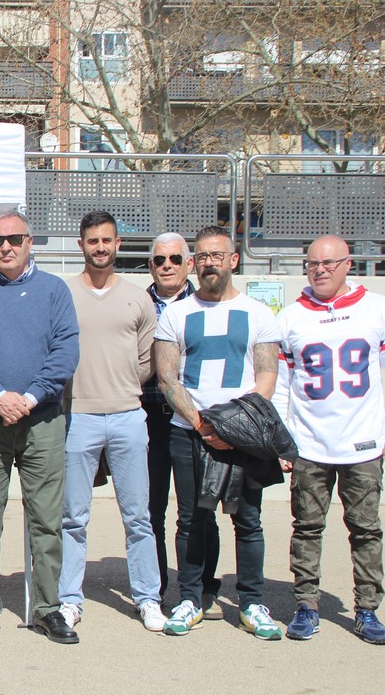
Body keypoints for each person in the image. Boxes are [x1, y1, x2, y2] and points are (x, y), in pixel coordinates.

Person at [0, 210, 80, 644]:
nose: (4, 246)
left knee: (47, 520)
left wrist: (28, 397)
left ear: (30, 242)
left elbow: (65, 351)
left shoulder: (55, 291)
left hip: (42, 419)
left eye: (13, 238)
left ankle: (47, 608)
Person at [154, 225, 283, 640]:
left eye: (217, 255)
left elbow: (266, 374)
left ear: (233, 260)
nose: (210, 263)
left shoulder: (259, 313)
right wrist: (203, 424)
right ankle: (191, 597)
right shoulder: (177, 312)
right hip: (188, 430)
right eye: (203, 256)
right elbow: (167, 377)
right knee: (192, 518)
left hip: (244, 434)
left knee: (248, 520)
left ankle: (251, 602)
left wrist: (235, 426)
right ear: (196, 262)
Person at [273, 234, 385, 645]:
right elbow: (283, 385)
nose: (320, 270)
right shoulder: (290, 317)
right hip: (310, 445)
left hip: (363, 443)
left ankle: (368, 609)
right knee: (306, 527)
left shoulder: (376, 310)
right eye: (313, 263)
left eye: (329, 263)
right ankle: (306, 605)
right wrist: (282, 441)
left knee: (367, 530)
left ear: (348, 264)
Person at [59, 211, 164, 632]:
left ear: (118, 244)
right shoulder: (62, 294)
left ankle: (147, 597)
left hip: (127, 415)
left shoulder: (138, 298)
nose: (100, 247)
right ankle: (69, 599)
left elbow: (146, 361)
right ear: (81, 245)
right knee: (72, 517)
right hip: (77, 416)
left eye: (107, 240)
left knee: (139, 516)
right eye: (92, 241)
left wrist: (118, 387)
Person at [142, 232, 224, 618]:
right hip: (149, 421)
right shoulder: (138, 303)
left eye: (175, 258)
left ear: (189, 264)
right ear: (151, 266)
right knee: (151, 511)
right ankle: (155, 588)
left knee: (199, 509)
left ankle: (203, 586)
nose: (168, 266)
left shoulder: (206, 303)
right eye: (160, 260)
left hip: (196, 422)